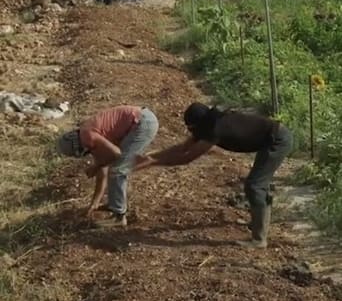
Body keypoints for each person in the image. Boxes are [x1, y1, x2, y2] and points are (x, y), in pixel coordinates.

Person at [135, 102, 293, 248]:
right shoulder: (209, 122)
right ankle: (259, 223)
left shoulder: (215, 129)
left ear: (198, 125)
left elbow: (187, 158)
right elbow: (182, 148)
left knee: (255, 185)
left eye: (191, 128)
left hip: (277, 140)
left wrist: (153, 163)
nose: (190, 132)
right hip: (270, 138)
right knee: (257, 184)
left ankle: (259, 239)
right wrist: (151, 156)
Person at [56, 105, 159, 227]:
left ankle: (119, 216)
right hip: (141, 119)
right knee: (116, 168)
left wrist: (96, 166)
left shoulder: (89, 137)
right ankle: (116, 205)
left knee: (118, 169)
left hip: (143, 123)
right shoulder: (87, 135)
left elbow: (116, 154)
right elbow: (102, 174)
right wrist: (94, 204)